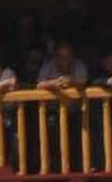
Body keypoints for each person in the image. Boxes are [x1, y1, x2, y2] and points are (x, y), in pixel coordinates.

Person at [36, 41, 88, 173]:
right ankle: (54, 173)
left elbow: (84, 81)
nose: (65, 60)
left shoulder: (79, 65)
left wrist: (72, 81)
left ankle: (78, 171)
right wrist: (53, 84)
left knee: (78, 141)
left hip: (76, 112)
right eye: (61, 56)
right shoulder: (49, 66)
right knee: (52, 142)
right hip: (54, 112)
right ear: (56, 57)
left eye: (68, 56)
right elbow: (39, 85)